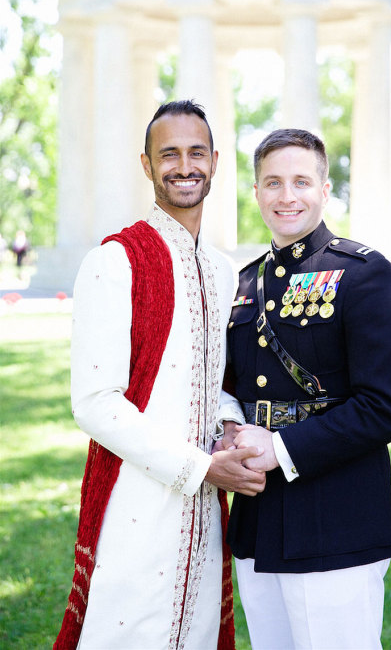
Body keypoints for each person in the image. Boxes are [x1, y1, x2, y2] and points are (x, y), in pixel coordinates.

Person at [54, 100, 266, 650]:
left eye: (196, 152)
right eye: (167, 153)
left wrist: (227, 427)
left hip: (206, 502)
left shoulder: (221, 269)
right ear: (146, 165)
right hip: (138, 499)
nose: (184, 165)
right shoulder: (115, 260)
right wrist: (201, 468)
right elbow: (96, 402)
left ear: (216, 162)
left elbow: (215, 377)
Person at [219, 128, 391, 650]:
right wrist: (228, 428)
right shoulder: (244, 285)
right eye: (273, 183)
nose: (287, 196)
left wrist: (279, 448)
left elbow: (386, 407)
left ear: (325, 189)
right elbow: (227, 384)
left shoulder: (365, 275)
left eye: (301, 182)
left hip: (337, 517)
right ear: (256, 192)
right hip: (259, 517)